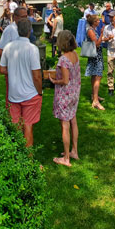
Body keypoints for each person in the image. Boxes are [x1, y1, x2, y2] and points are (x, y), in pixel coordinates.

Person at [0, 19, 43, 147]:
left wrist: (12, 71)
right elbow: (36, 76)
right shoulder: (32, 49)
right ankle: (28, 162)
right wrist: (40, 92)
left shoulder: (8, 47)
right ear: (30, 31)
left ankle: (18, 160)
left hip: (13, 93)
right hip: (30, 94)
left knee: (16, 125)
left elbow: (2, 69)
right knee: (28, 126)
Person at [51, 30, 81, 166]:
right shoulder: (75, 54)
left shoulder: (63, 59)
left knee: (65, 125)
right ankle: (74, 151)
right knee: (73, 121)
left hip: (65, 95)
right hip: (75, 93)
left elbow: (65, 80)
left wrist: (53, 81)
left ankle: (66, 158)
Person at [84, 14, 105, 110]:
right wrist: (101, 34)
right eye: (97, 20)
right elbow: (96, 44)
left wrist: (105, 38)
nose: (99, 21)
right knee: (97, 77)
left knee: (94, 76)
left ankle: (94, 95)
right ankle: (95, 101)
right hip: (96, 57)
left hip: (96, 56)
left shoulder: (92, 29)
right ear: (94, 22)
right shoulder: (91, 31)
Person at [103, 11, 115, 97]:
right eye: (109, 17)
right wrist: (108, 38)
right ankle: (110, 87)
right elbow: (103, 38)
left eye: (112, 17)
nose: (111, 19)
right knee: (110, 70)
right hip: (111, 51)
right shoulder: (107, 28)